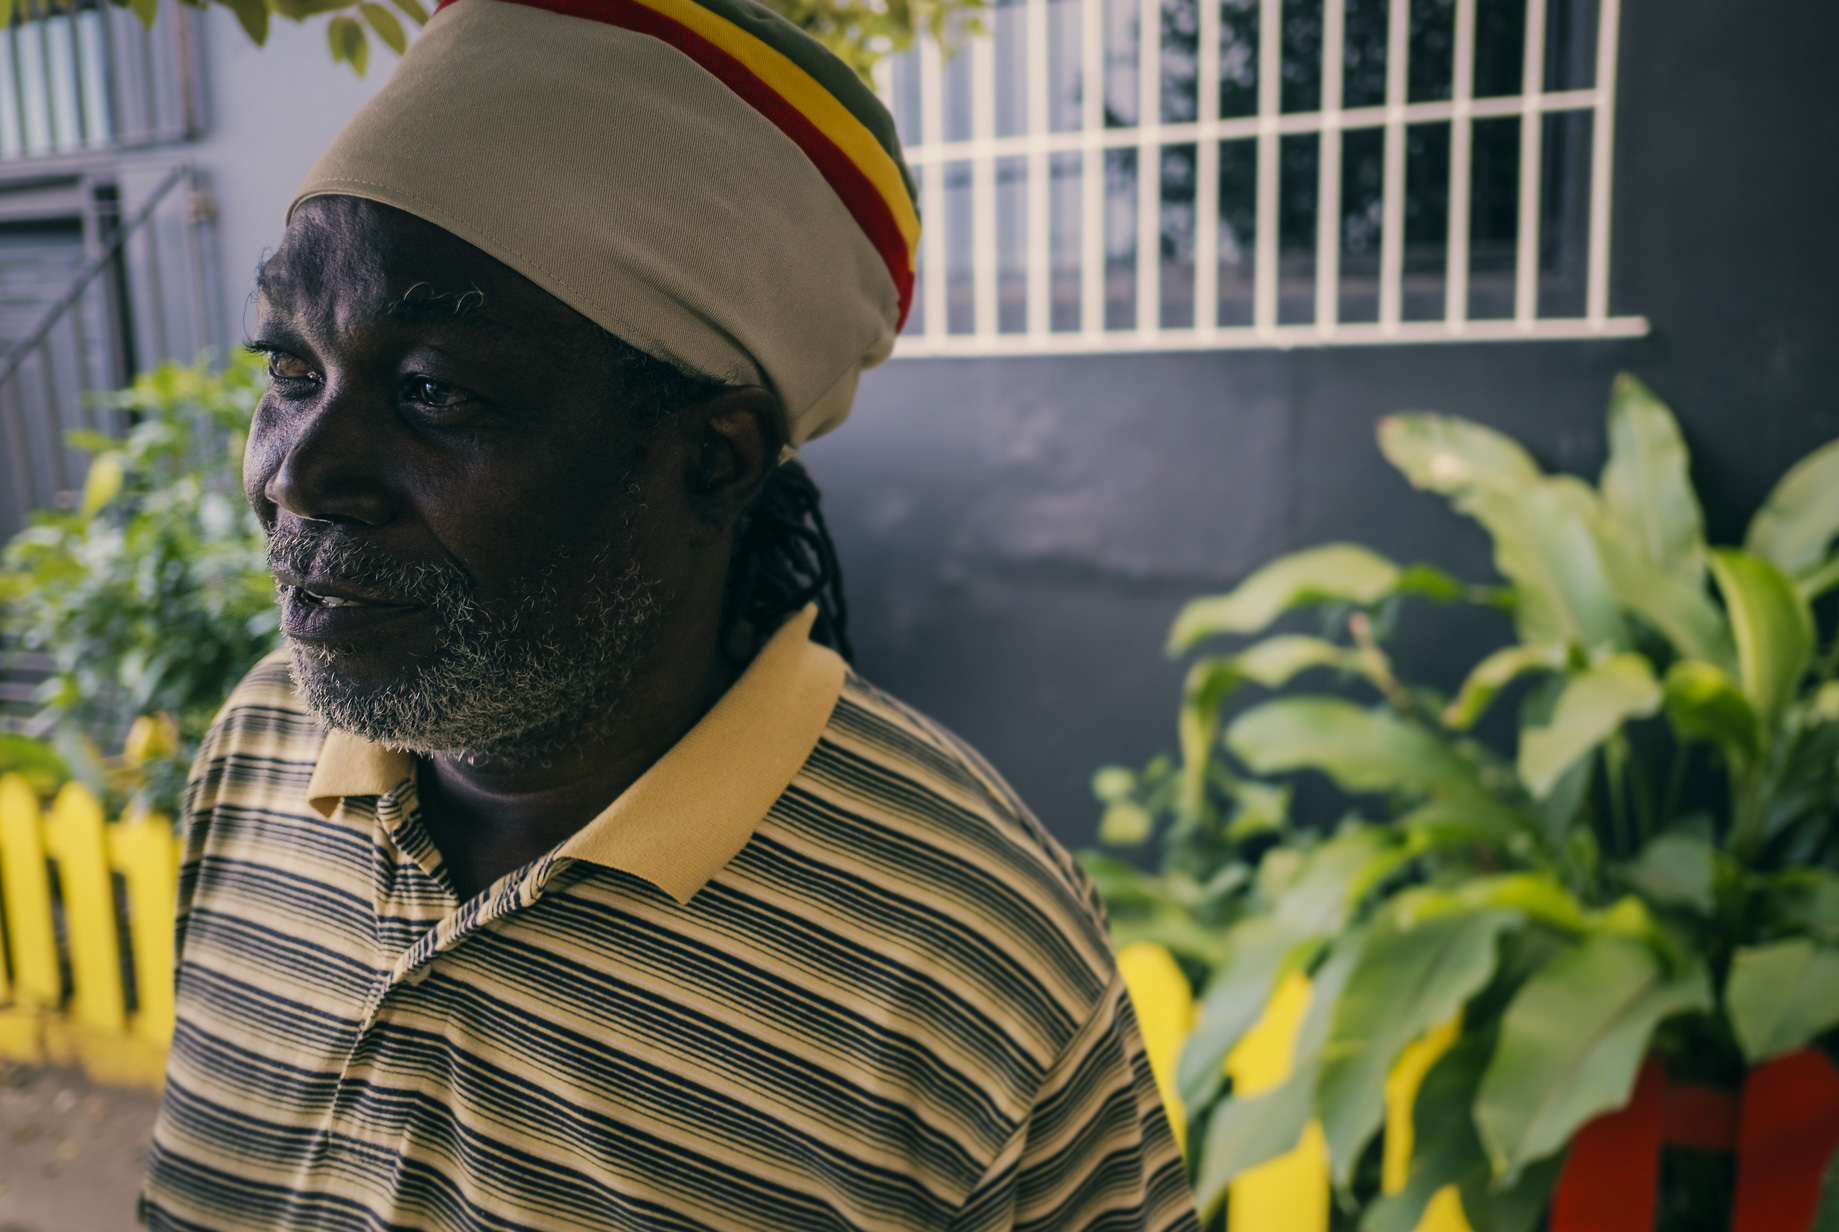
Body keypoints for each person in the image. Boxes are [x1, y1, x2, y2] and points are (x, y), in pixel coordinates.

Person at [139, 0, 1196, 1228]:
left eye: (434, 390)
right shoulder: (259, 748)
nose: (296, 473)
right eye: (289, 368)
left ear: (712, 458)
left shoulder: (962, 952)